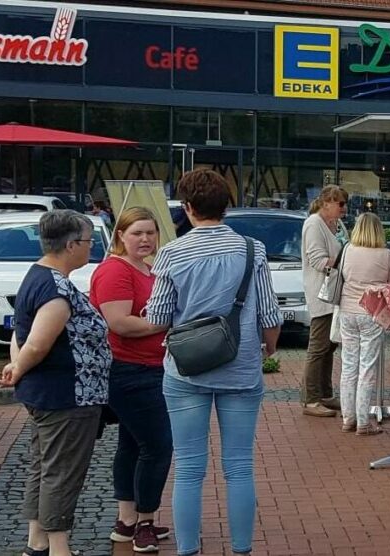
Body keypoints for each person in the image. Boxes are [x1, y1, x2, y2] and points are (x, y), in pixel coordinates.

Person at [144, 169, 282, 556]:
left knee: (188, 467)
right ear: (226, 205)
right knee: (239, 465)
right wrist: (267, 349)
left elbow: (157, 319)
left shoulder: (172, 252)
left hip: (186, 370)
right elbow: (269, 316)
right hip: (240, 368)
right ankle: (241, 549)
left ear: (187, 208)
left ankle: (187, 549)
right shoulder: (252, 250)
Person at [0, 210, 112, 556]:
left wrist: (17, 365)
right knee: (62, 473)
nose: (91, 248)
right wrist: (18, 368)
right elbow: (37, 342)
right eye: (89, 242)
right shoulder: (56, 289)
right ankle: (59, 549)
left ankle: (38, 543)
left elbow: (20, 334)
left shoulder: (36, 275)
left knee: (44, 466)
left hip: (51, 393)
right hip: (66, 396)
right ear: (72, 244)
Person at [89, 207, 172, 553]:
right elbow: (120, 322)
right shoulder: (114, 270)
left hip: (152, 367)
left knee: (133, 445)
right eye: (137, 233)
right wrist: (165, 323)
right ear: (120, 235)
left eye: (151, 233)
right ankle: (145, 523)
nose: (145, 239)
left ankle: (126, 521)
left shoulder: (149, 268)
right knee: (158, 446)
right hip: (129, 370)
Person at [338, 213, 390, 435]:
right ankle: (363, 421)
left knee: (348, 365)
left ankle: (348, 418)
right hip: (372, 313)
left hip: (347, 311)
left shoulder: (347, 250)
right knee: (367, 367)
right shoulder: (386, 255)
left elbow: (342, 276)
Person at [300, 185, 349, 417]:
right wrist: (346, 264)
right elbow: (317, 260)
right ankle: (311, 399)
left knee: (329, 345)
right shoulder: (313, 224)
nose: (344, 209)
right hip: (321, 294)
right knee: (318, 346)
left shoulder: (335, 224)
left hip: (334, 293)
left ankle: (325, 393)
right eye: (341, 204)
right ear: (327, 202)